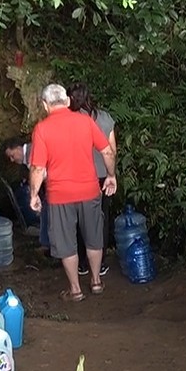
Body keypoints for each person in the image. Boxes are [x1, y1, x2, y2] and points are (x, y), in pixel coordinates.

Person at [28, 84, 118, 302]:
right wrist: (111, 175)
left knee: (67, 241)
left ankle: (75, 289)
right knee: (94, 237)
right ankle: (96, 282)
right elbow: (107, 150)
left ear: (44, 104)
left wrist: (33, 194)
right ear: (67, 101)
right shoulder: (86, 121)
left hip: (60, 195)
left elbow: (38, 168)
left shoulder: (42, 129)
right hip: (89, 190)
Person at [68, 82, 115, 277]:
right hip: (103, 175)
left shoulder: (69, 119)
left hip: (78, 177)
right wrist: (112, 174)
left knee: (78, 220)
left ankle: (82, 264)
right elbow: (111, 149)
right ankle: (100, 263)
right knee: (100, 221)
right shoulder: (104, 118)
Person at [4, 137, 48, 250]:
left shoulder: (31, 154)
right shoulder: (30, 152)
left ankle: (49, 244)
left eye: (12, 156)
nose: (12, 160)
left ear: (18, 149)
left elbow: (42, 173)